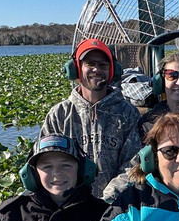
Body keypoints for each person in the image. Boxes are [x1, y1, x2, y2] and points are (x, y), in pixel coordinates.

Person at [42, 38, 143, 200]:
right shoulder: (59, 115)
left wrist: (108, 199)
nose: (96, 69)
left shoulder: (128, 114)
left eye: (103, 65)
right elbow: (46, 164)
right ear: (76, 69)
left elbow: (133, 165)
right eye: (90, 64)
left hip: (115, 207)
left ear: (112, 71)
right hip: (71, 206)